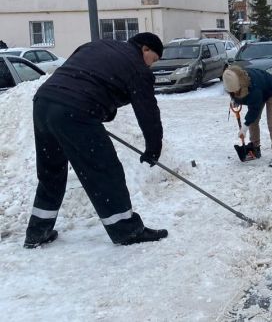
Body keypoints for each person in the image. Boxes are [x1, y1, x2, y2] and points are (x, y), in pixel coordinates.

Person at [24, 33, 167, 248]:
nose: (151, 66)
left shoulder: (98, 45)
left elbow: (80, 73)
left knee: (51, 171)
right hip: (75, 111)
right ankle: (127, 230)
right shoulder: (137, 67)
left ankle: (37, 232)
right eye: (153, 59)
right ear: (145, 49)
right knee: (105, 170)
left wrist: (96, 111)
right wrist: (154, 147)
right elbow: (147, 111)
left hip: (44, 102)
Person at [222, 64, 272, 167]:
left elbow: (254, 110)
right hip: (259, 92)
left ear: (240, 85)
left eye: (236, 91)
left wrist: (245, 126)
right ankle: (255, 149)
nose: (234, 92)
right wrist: (235, 100)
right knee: (254, 122)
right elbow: (235, 93)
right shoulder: (232, 79)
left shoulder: (253, 87)